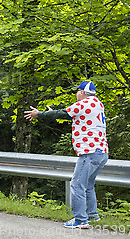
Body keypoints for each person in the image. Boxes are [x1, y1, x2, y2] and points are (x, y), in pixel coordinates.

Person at [24, 81, 108, 229]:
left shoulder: (83, 104)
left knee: (77, 185)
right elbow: (71, 115)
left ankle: (81, 220)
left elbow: (63, 113)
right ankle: (92, 215)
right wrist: (52, 112)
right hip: (101, 153)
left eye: (78, 91)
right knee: (88, 185)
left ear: (82, 92)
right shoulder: (97, 104)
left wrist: (40, 114)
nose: (76, 94)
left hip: (89, 152)